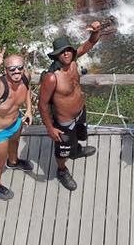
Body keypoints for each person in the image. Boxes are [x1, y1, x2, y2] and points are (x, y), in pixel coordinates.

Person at [39, 21, 103, 191]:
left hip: (80, 112)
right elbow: (42, 104)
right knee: (62, 150)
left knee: (79, 137)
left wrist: (96, 30)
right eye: (62, 52)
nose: (66, 53)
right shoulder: (52, 77)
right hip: (64, 122)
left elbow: (91, 43)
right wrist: (50, 128)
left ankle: (76, 151)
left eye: (68, 50)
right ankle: (62, 170)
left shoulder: (74, 61)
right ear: (56, 55)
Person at [0, 46, 35, 200]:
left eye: (19, 68)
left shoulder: (25, 77)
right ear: (6, 71)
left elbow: (27, 90)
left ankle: (13, 162)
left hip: (16, 121)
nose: (17, 71)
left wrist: (28, 110)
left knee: (15, 142)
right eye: (12, 69)